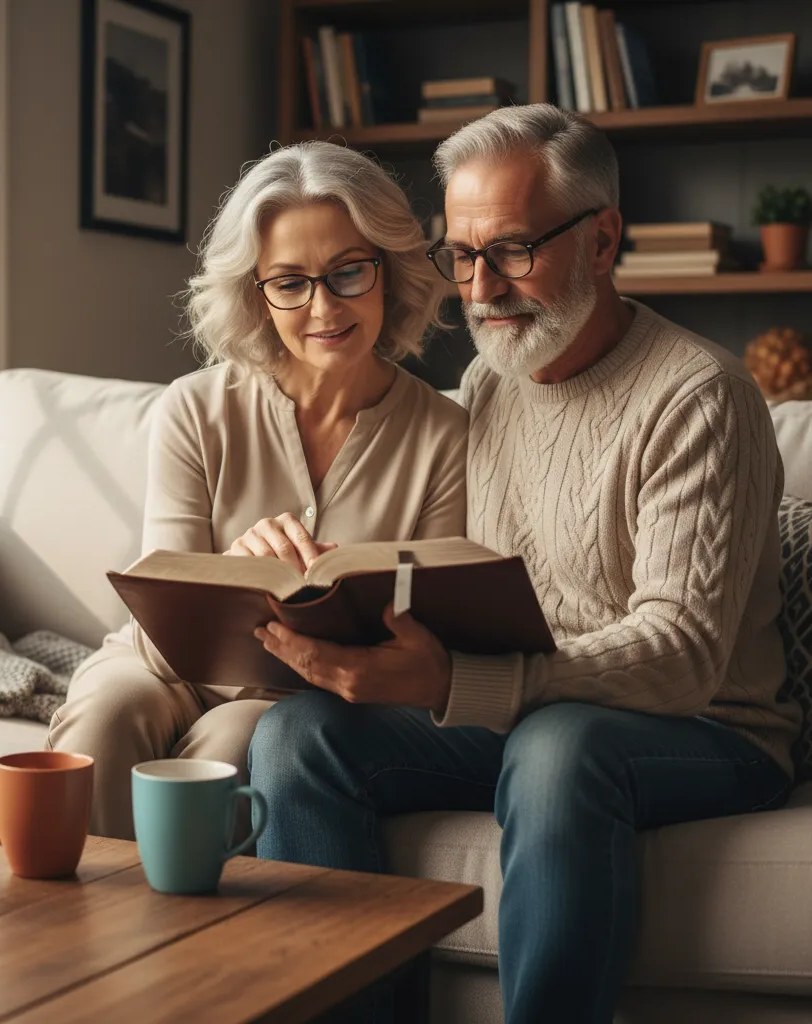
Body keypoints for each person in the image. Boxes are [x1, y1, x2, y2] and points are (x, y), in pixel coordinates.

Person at [247, 105, 802, 1024]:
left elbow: (683, 652)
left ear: (602, 237)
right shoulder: (489, 382)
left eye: (511, 250)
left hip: (706, 728)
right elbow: (458, 571)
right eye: (460, 257)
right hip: (529, 704)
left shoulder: (702, 397)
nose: (482, 289)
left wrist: (466, 681)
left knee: (557, 747)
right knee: (297, 736)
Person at [47, 141, 470, 840]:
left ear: (389, 271)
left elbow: (419, 637)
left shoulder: (445, 435)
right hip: (161, 667)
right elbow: (162, 635)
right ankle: (73, 941)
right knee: (105, 715)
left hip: (303, 692)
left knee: (233, 743)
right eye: (290, 282)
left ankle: (190, 949)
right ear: (258, 294)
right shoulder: (192, 408)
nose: (322, 306)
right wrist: (238, 573)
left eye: (347, 272)